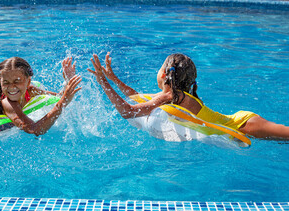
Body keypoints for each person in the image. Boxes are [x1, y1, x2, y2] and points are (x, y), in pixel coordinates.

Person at [88, 52, 289, 140]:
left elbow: (128, 111)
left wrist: (103, 82)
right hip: (239, 121)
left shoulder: (171, 97)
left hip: (242, 125)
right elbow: (138, 98)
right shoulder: (173, 95)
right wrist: (113, 78)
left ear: (165, 74)